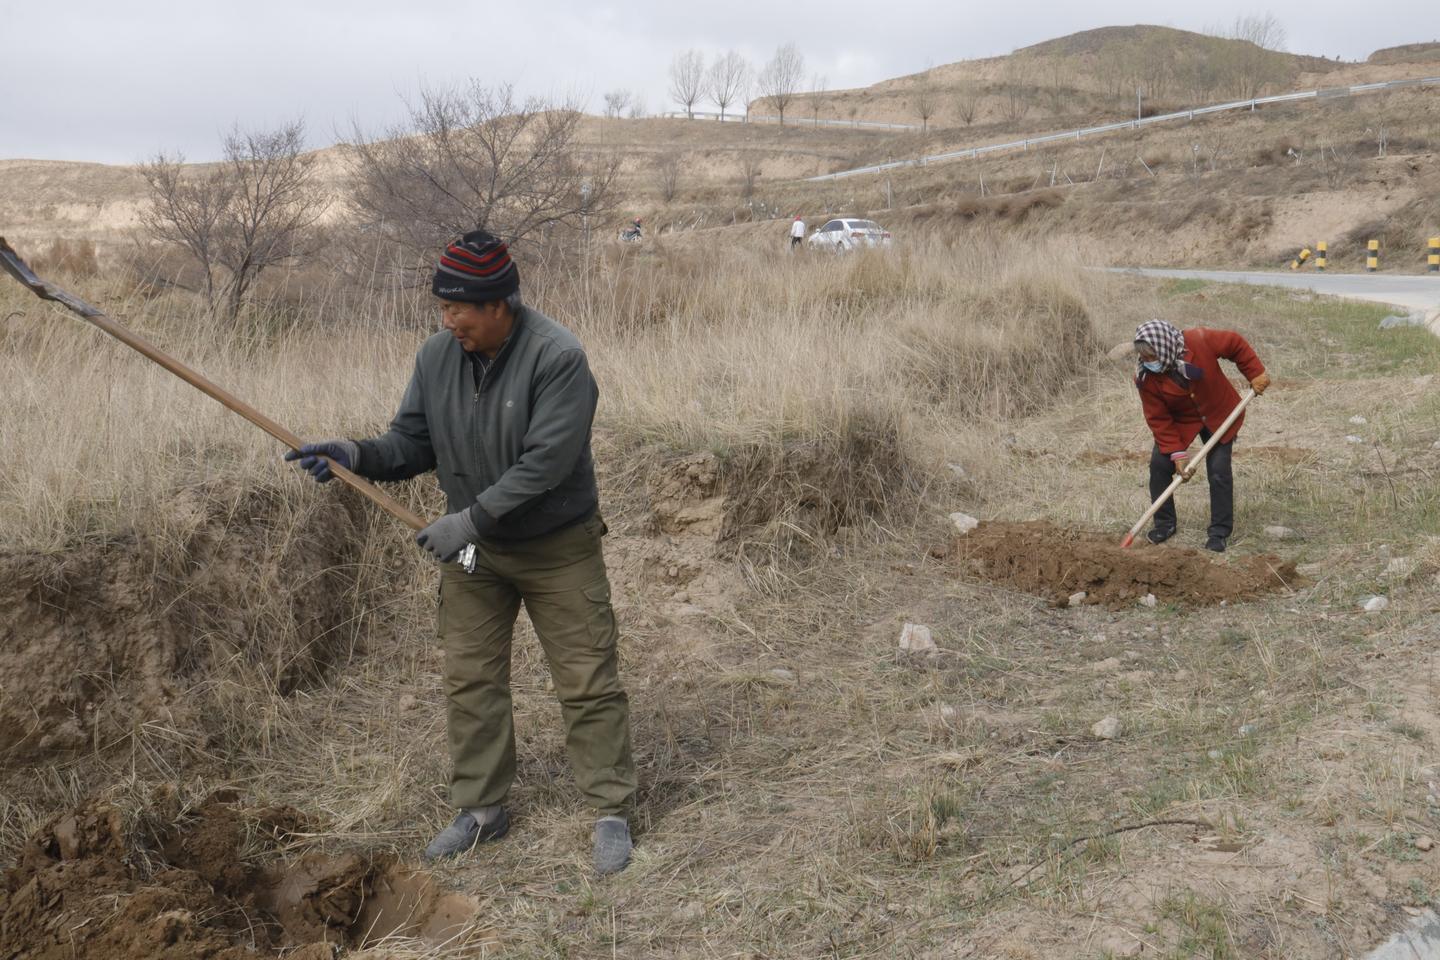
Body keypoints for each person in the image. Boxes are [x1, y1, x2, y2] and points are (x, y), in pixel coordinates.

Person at [285, 230, 637, 875]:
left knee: (586, 680)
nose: (447, 321)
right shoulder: (436, 357)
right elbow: (410, 444)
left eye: (459, 309)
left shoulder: (558, 357)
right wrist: (354, 454)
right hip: (477, 556)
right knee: (471, 679)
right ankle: (481, 811)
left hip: (558, 548)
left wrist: (467, 520)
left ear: (500, 304)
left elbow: (546, 466)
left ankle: (611, 809)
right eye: (441, 307)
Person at [1132, 319, 1271, 552]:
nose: (1149, 363)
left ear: (1164, 346)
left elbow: (1235, 343)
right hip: (1182, 422)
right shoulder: (1146, 378)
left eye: (1152, 357)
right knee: (1159, 465)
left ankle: (1219, 531)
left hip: (1220, 412)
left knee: (1218, 470)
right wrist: (1177, 454)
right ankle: (1164, 524)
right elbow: (1158, 418)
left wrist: (1255, 373)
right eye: (1144, 358)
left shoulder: (1199, 340)